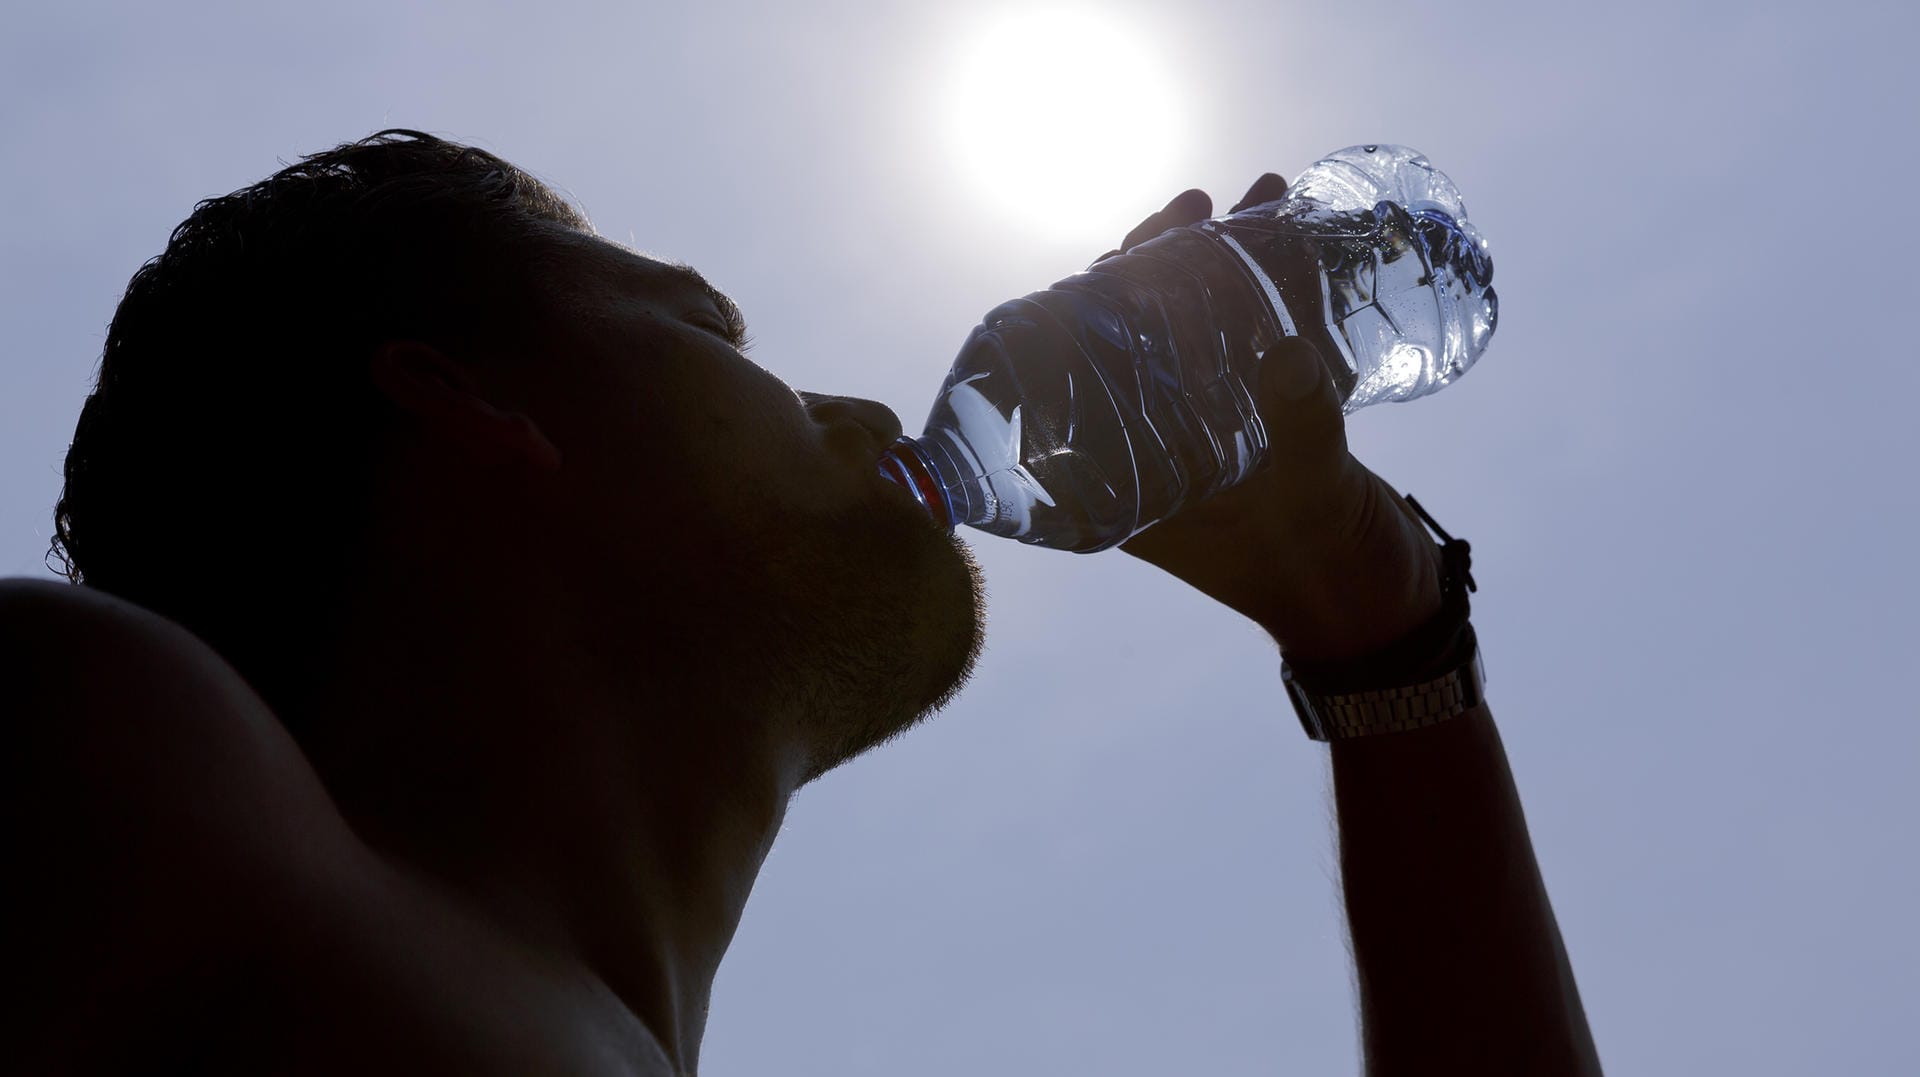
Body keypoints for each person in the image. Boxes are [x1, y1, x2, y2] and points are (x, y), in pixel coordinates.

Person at [1, 130, 1600, 1075]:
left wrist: (1384, 638)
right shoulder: (113, 767)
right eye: (707, 328)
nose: (847, 406)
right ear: (478, 407)